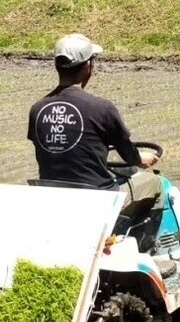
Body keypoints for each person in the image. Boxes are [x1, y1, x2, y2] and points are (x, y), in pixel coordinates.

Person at [27, 33, 162, 212]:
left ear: (57, 66)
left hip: (53, 197)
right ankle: (145, 239)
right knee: (155, 183)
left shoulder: (37, 110)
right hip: (99, 199)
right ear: (88, 66)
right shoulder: (102, 109)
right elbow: (129, 155)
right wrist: (140, 159)